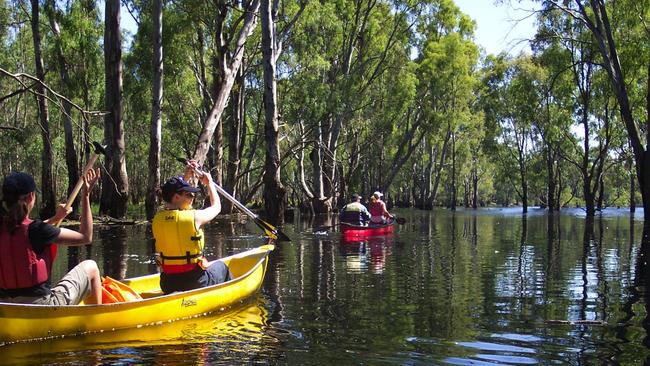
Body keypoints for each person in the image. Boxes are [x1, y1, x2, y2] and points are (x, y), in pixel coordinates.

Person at [0, 169, 103, 305]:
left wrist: (55, 218)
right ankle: (96, 321)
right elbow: (85, 236)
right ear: (31, 197)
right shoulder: (38, 230)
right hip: (40, 306)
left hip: (6, 306)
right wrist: (86, 196)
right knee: (91, 266)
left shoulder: (7, 227)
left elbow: (22, 232)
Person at [152, 160, 232, 294]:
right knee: (222, 267)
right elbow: (217, 207)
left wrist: (186, 177)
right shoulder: (195, 217)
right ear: (177, 197)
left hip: (167, 283)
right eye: (188, 194)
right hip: (195, 282)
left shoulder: (157, 219)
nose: (192, 197)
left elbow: (170, 193)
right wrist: (210, 184)